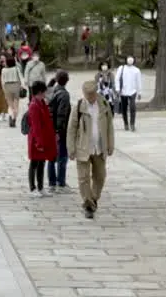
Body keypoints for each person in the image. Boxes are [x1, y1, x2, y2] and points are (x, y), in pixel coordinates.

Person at [67, 80, 114, 219]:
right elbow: (71, 129)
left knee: (100, 176)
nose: (91, 97)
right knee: (83, 178)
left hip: (99, 147)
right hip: (83, 147)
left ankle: (93, 198)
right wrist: (71, 148)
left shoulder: (104, 105)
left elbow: (109, 127)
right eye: (88, 94)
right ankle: (88, 205)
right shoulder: (79, 106)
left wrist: (110, 144)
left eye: (92, 94)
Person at [25, 81, 56, 197]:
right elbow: (36, 126)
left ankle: (41, 187)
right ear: (39, 92)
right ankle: (32, 188)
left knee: (42, 162)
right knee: (34, 163)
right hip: (36, 139)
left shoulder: (42, 103)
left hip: (44, 136)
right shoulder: (34, 105)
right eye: (44, 92)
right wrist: (39, 142)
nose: (45, 94)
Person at [46, 70, 72, 192]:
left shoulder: (51, 91)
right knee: (62, 156)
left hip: (50, 128)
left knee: (51, 156)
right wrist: (59, 130)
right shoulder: (64, 95)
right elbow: (62, 114)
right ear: (66, 81)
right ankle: (61, 183)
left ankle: (52, 183)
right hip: (60, 129)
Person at [115, 56, 142, 131]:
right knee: (124, 108)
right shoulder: (121, 68)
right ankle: (126, 124)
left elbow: (138, 81)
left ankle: (132, 124)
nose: (130, 60)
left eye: (131, 59)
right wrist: (117, 89)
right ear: (126, 59)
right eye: (128, 58)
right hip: (123, 92)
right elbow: (117, 78)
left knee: (133, 107)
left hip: (133, 91)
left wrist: (139, 92)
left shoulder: (136, 70)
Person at [0, 56, 23, 128]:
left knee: (10, 105)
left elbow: (2, 81)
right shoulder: (16, 69)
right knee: (16, 105)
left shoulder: (3, 70)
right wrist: (22, 86)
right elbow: (21, 77)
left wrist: (4, 89)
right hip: (16, 86)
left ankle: (10, 115)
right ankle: (14, 118)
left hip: (7, 87)